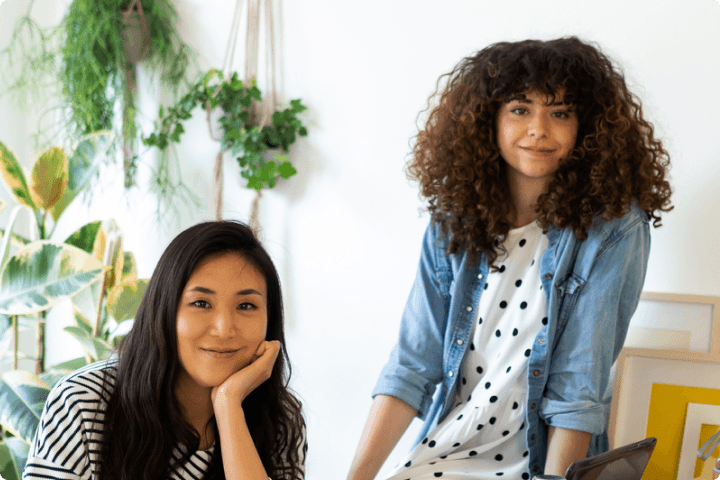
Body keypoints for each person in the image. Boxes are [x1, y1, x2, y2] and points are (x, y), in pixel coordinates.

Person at [346, 37, 672, 480]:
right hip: (445, 455)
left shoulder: (613, 230)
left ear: (587, 127)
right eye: (520, 109)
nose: (539, 129)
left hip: (538, 464)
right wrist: (356, 477)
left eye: (560, 113)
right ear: (489, 120)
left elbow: (578, 389)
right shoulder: (452, 224)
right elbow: (411, 366)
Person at [23, 221, 306, 480]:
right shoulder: (84, 402)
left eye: (246, 306)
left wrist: (229, 405)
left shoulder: (281, 419)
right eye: (201, 303)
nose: (223, 329)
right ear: (164, 310)